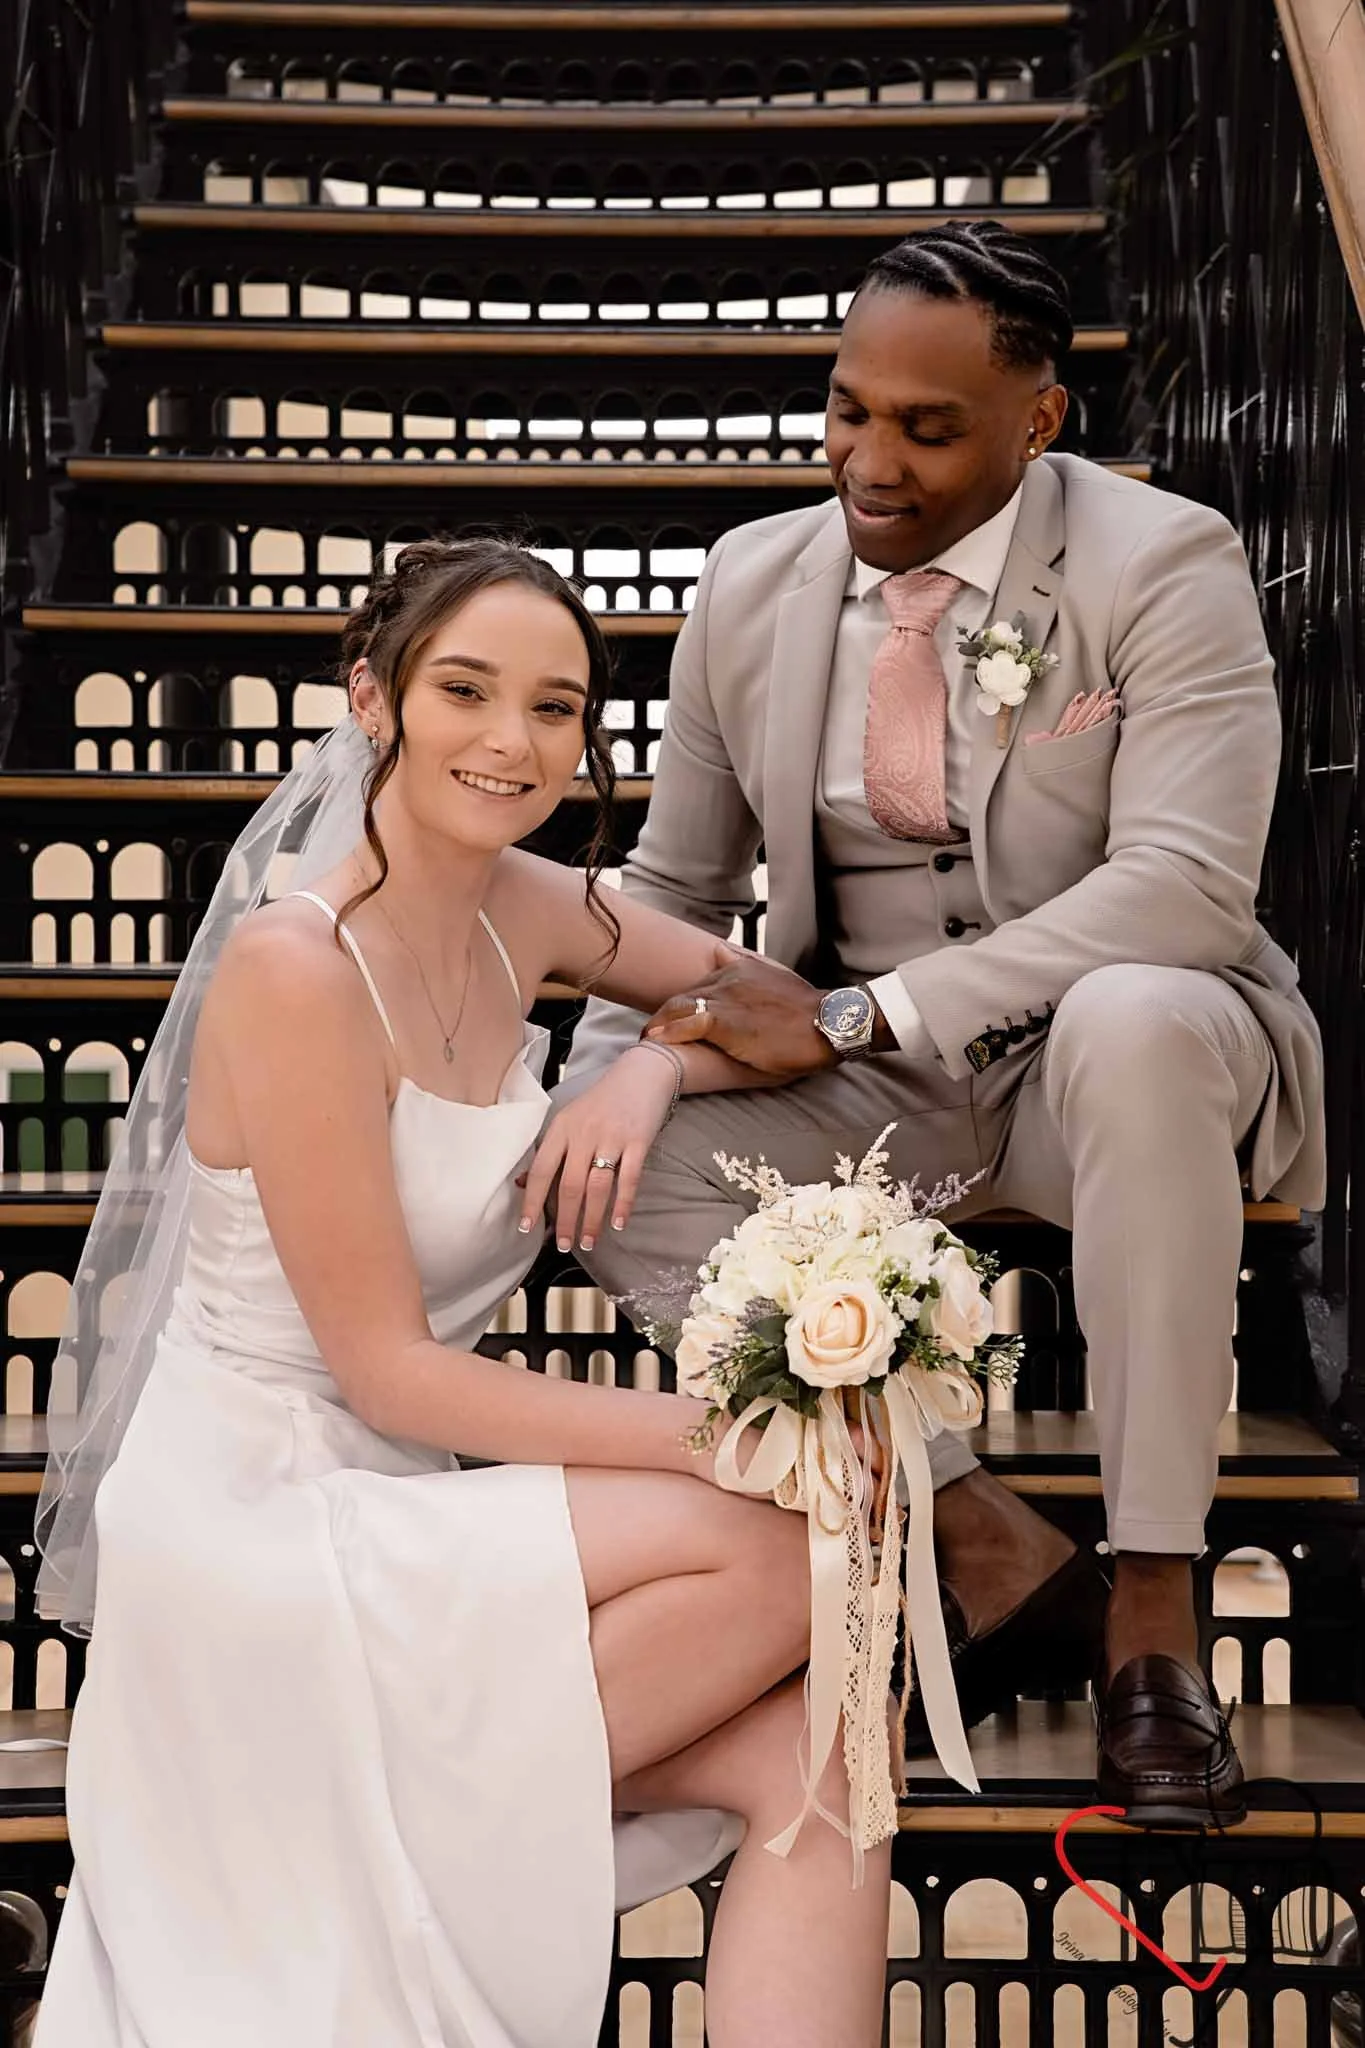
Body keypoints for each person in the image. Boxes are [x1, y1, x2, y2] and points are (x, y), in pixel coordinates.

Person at [32, 539, 894, 2048]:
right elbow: (389, 1374)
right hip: (256, 1508)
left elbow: (791, 1018)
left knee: (828, 1751)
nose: (514, 741)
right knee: (779, 1549)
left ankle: (373, 1815)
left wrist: (645, 1069)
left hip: (389, 1494)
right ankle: (345, 1807)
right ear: (372, 699)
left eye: (556, 709)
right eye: (468, 692)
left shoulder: (540, 908)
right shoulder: (296, 969)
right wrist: (720, 1436)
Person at [559, 221, 1326, 1829]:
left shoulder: (1161, 560)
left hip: (1098, 1063)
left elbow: (1186, 887)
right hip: (871, 1097)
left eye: (926, 425)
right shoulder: (753, 582)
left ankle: (1151, 1617)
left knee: (1135, 1016)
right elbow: (675, 884)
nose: (870, 460)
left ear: (1037, 422)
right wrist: (624, 1055)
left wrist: (852, 1013)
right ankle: (974, 1534)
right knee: (587, 1120)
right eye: (847, 410)